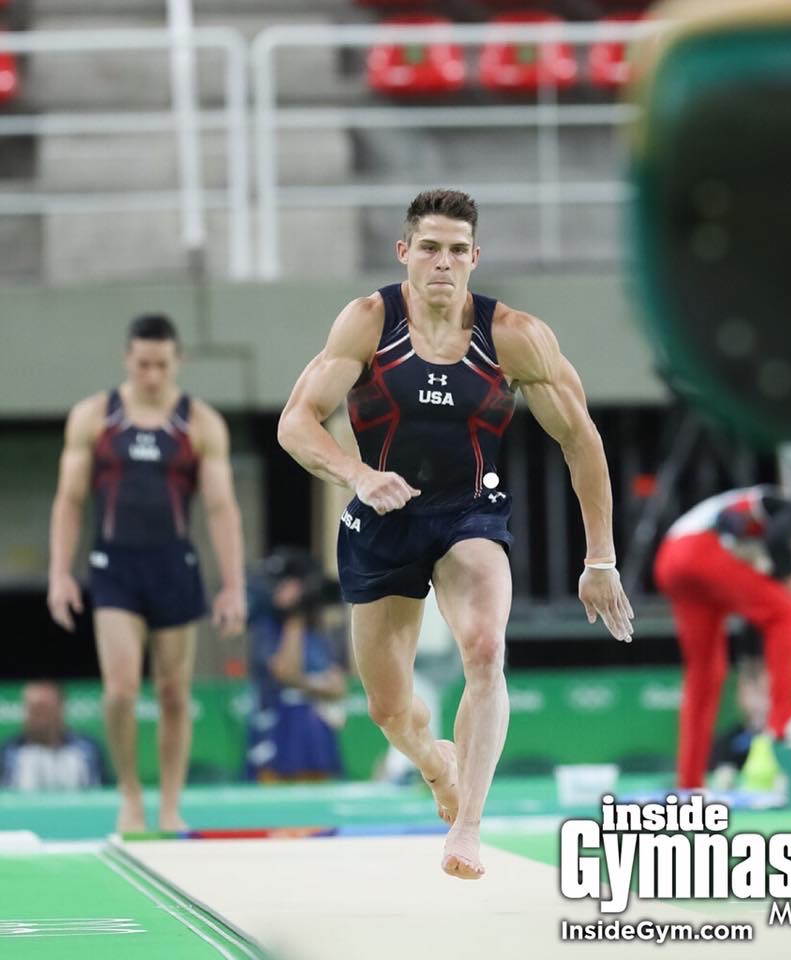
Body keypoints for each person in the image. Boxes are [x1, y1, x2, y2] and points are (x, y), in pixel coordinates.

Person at [278, 188, 633, 879]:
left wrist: (601, 558)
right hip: (383, 517)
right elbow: (296, 421)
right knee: (387, 709)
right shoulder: (368, 322)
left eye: (457, 250)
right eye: (430, 248)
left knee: (485, 648)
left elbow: (581, 440)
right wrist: (357, 475)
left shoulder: (514, 336)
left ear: (475, 258)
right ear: (404, 253)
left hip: (471, 515)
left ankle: (468, 826)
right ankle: (435, 763)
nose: (443, 262)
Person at [46, 313, 246, 832]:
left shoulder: (200, 424)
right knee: (120, 691)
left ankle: (171, 803)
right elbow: (69, 500)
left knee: (175, 694)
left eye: (161, 364)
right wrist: (59, 573)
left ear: (177, 361)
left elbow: (221, 508)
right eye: (143, 365)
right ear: (127, 360)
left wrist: (233, 586)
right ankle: (130, 794)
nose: (152, 375)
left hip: (174, 567)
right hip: (114, 567)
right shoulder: (94, 417)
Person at [654, 477, 791, 789]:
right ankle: (783, 718)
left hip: (671, 561)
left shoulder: (779, 543)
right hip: (698, 550)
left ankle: (690, 782)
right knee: (790, 613)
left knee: (706, 675)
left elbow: (761, 606)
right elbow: (776, 542)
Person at [245, 548, 348, 783]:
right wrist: (295, 617)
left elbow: (337, 687)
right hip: (275, 735)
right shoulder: (267, 628)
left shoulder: (318, 632)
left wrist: (304, 684)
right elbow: (286, 673)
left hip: (316, 737)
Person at [0, 680, 107, 791]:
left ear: (60, 708)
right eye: (31, 710)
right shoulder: (8, 752)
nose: (37, 718)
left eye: (43, 709)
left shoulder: (87, 750)